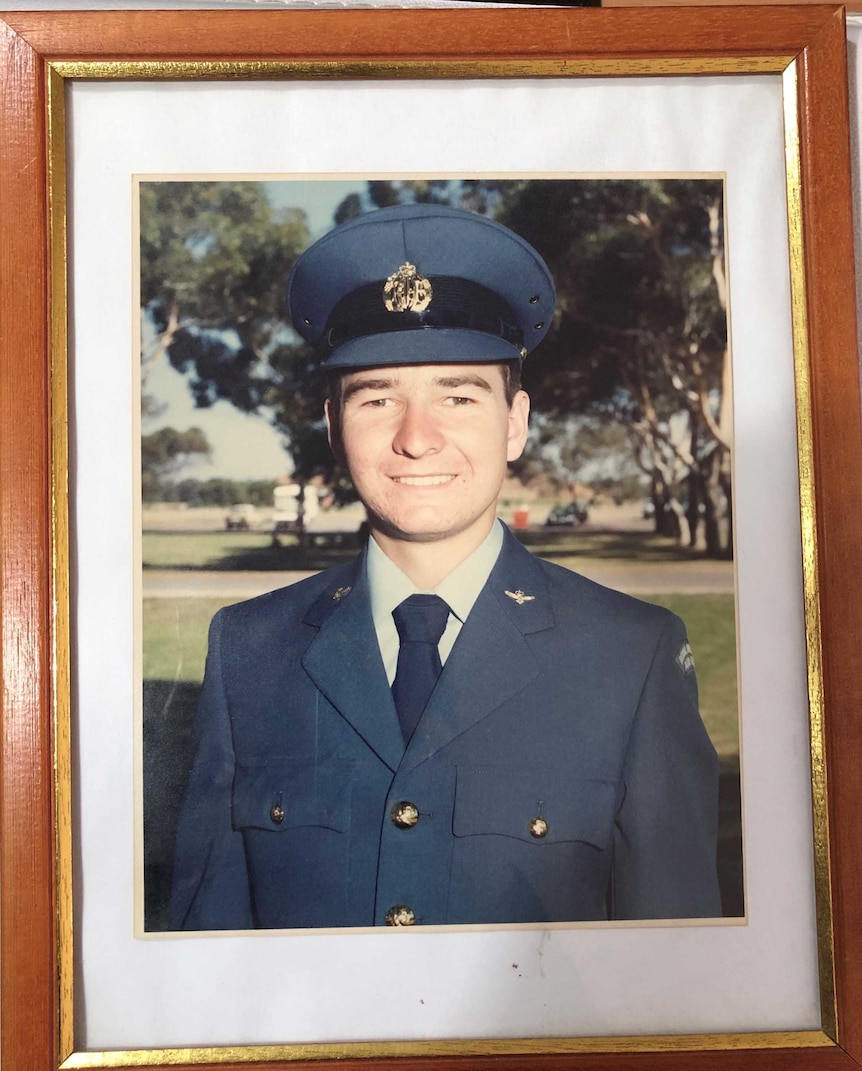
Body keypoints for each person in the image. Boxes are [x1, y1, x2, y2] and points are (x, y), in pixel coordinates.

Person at [169, 203, 721, 931]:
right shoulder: (249, 652)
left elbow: (676, 982)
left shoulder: (630, 656)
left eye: (458, 395)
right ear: (334, 427)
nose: (417, 438)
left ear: (516, 421)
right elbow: (206, 958)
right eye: (377, 396)